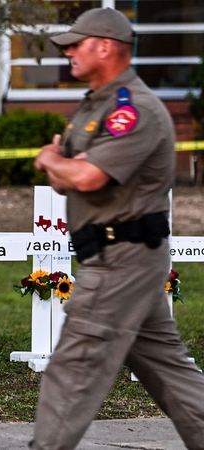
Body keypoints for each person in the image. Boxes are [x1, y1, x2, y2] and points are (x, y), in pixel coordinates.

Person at [32, 8, 204, 450]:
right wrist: (64, 167)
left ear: (105, 47)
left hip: (120, 258)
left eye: (76, 43)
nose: (67, 51)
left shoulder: (134, 108)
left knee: (75, 365)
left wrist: (53, 160)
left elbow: (86, 177)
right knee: (167, 368)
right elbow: (70, 174)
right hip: (122, 256)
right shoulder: (99, 103)